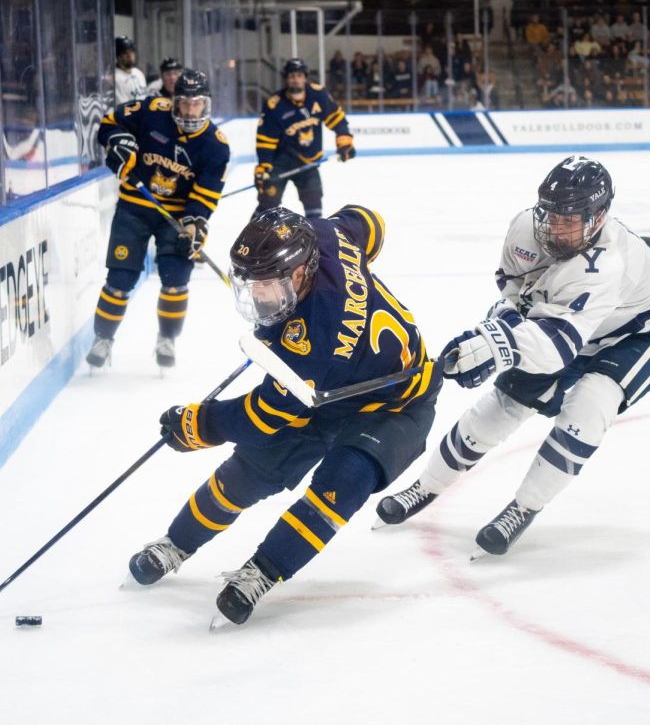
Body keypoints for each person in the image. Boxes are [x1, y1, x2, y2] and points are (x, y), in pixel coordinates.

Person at [127, 206, 442, 626]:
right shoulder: (323, 233)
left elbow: (262, 417)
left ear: (299, 274)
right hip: (330, 389)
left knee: (342, 483)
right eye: (251, 282)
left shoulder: (314, 340)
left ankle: (262, 571)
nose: (257, 296)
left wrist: (200, 424)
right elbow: (370, 223)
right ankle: (176, 543)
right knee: (249, 472)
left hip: (395, 403)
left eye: (267, 285)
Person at [375, 156, 650, 559]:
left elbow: (556, 348)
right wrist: (492, 334)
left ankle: (524, 507)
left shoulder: (606, 264)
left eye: (570, 219)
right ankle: (426, 485)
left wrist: (497, 345)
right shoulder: (525, 228)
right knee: (501, 406)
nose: (555, 226)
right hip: (565, 323)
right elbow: (512, 290)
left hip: (632, 335)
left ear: (599, 216)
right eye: (551, 214)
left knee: (588, 409)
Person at [87, 69, 230, 369]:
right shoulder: (152, 110)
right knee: (119, 279)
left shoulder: (216, 144)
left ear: (207, 104)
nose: (190, 110)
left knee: (176, 279)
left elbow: (205, 194)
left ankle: (167, 339)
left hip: (176, 217)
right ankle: (103, 338)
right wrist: (119, 143)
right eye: (185, 103)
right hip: (134, 208)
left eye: (197, 104)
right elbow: (108, 124)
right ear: (174, 101)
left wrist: (194, 225)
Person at [254, 58, 355, 219]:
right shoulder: (275, 104)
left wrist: (344, 141)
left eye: (299, 75)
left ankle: (316, 239)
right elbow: (265, 140)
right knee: (268, 202)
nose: (296, 79)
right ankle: (252, 237)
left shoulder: (318, 95)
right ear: (287, 78)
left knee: (314, 202)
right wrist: (263, 168)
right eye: (292, 76)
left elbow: (337, 119)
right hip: (281, 161)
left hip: (309, 161)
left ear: (305, 77)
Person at [113, 36, 147, 104]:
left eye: (132, 52)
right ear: (118, 56)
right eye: (125, 53)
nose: (130, 55)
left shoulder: (138, 73)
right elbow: (123, 107)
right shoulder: (115, 77)